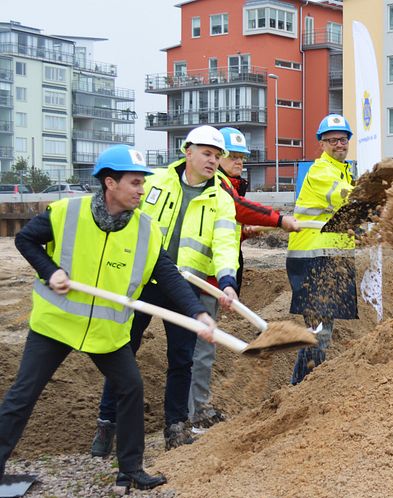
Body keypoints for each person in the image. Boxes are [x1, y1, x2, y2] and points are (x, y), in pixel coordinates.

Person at [0, 145, 216, 491]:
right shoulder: (67, 212)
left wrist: (198, 312)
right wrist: (49, 270)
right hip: (56, 324)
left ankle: (130, 469)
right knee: (23, 394)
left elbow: (169, 275)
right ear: (110, 184)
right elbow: (25, 240)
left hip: (105, 330)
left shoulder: (146, 229)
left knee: (130, 387)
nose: (141, 190)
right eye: (134, 183)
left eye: (142, 183)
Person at [92, 126, 239, 454]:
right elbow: (127, 220)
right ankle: (106, 423)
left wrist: (227, 282)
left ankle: (175, 426)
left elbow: (226, 243)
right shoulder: (156, 181)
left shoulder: (221, 200)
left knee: (182, 358)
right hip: (142, 281)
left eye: (217, 156)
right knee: (122, 349)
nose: (213, 161)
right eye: (206, 153)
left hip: (185, 288)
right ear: (188, 152)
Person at [188, 127, 299, 431]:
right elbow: (237, 210)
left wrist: (243, 232)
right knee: (201, 348)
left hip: (210, 275)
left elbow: (225, 224)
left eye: (242, 157)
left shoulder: (229, 185)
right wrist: (279, 219)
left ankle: (190, 410)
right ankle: (194, 413)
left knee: (197, 348)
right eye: (232, 156)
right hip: (203, 277)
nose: (239, 162)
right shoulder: (220, 185)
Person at [286, 114, 357, 385]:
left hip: (330, 260)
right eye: (332, 140)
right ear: (322, 144)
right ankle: (302, 388)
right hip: (312, 261)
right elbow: (347, 198)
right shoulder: (321, 172)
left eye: (343, 139)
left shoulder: (344, 171)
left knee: (321, 332)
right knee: (318, 332)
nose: (339, 144)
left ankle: (304, 387)